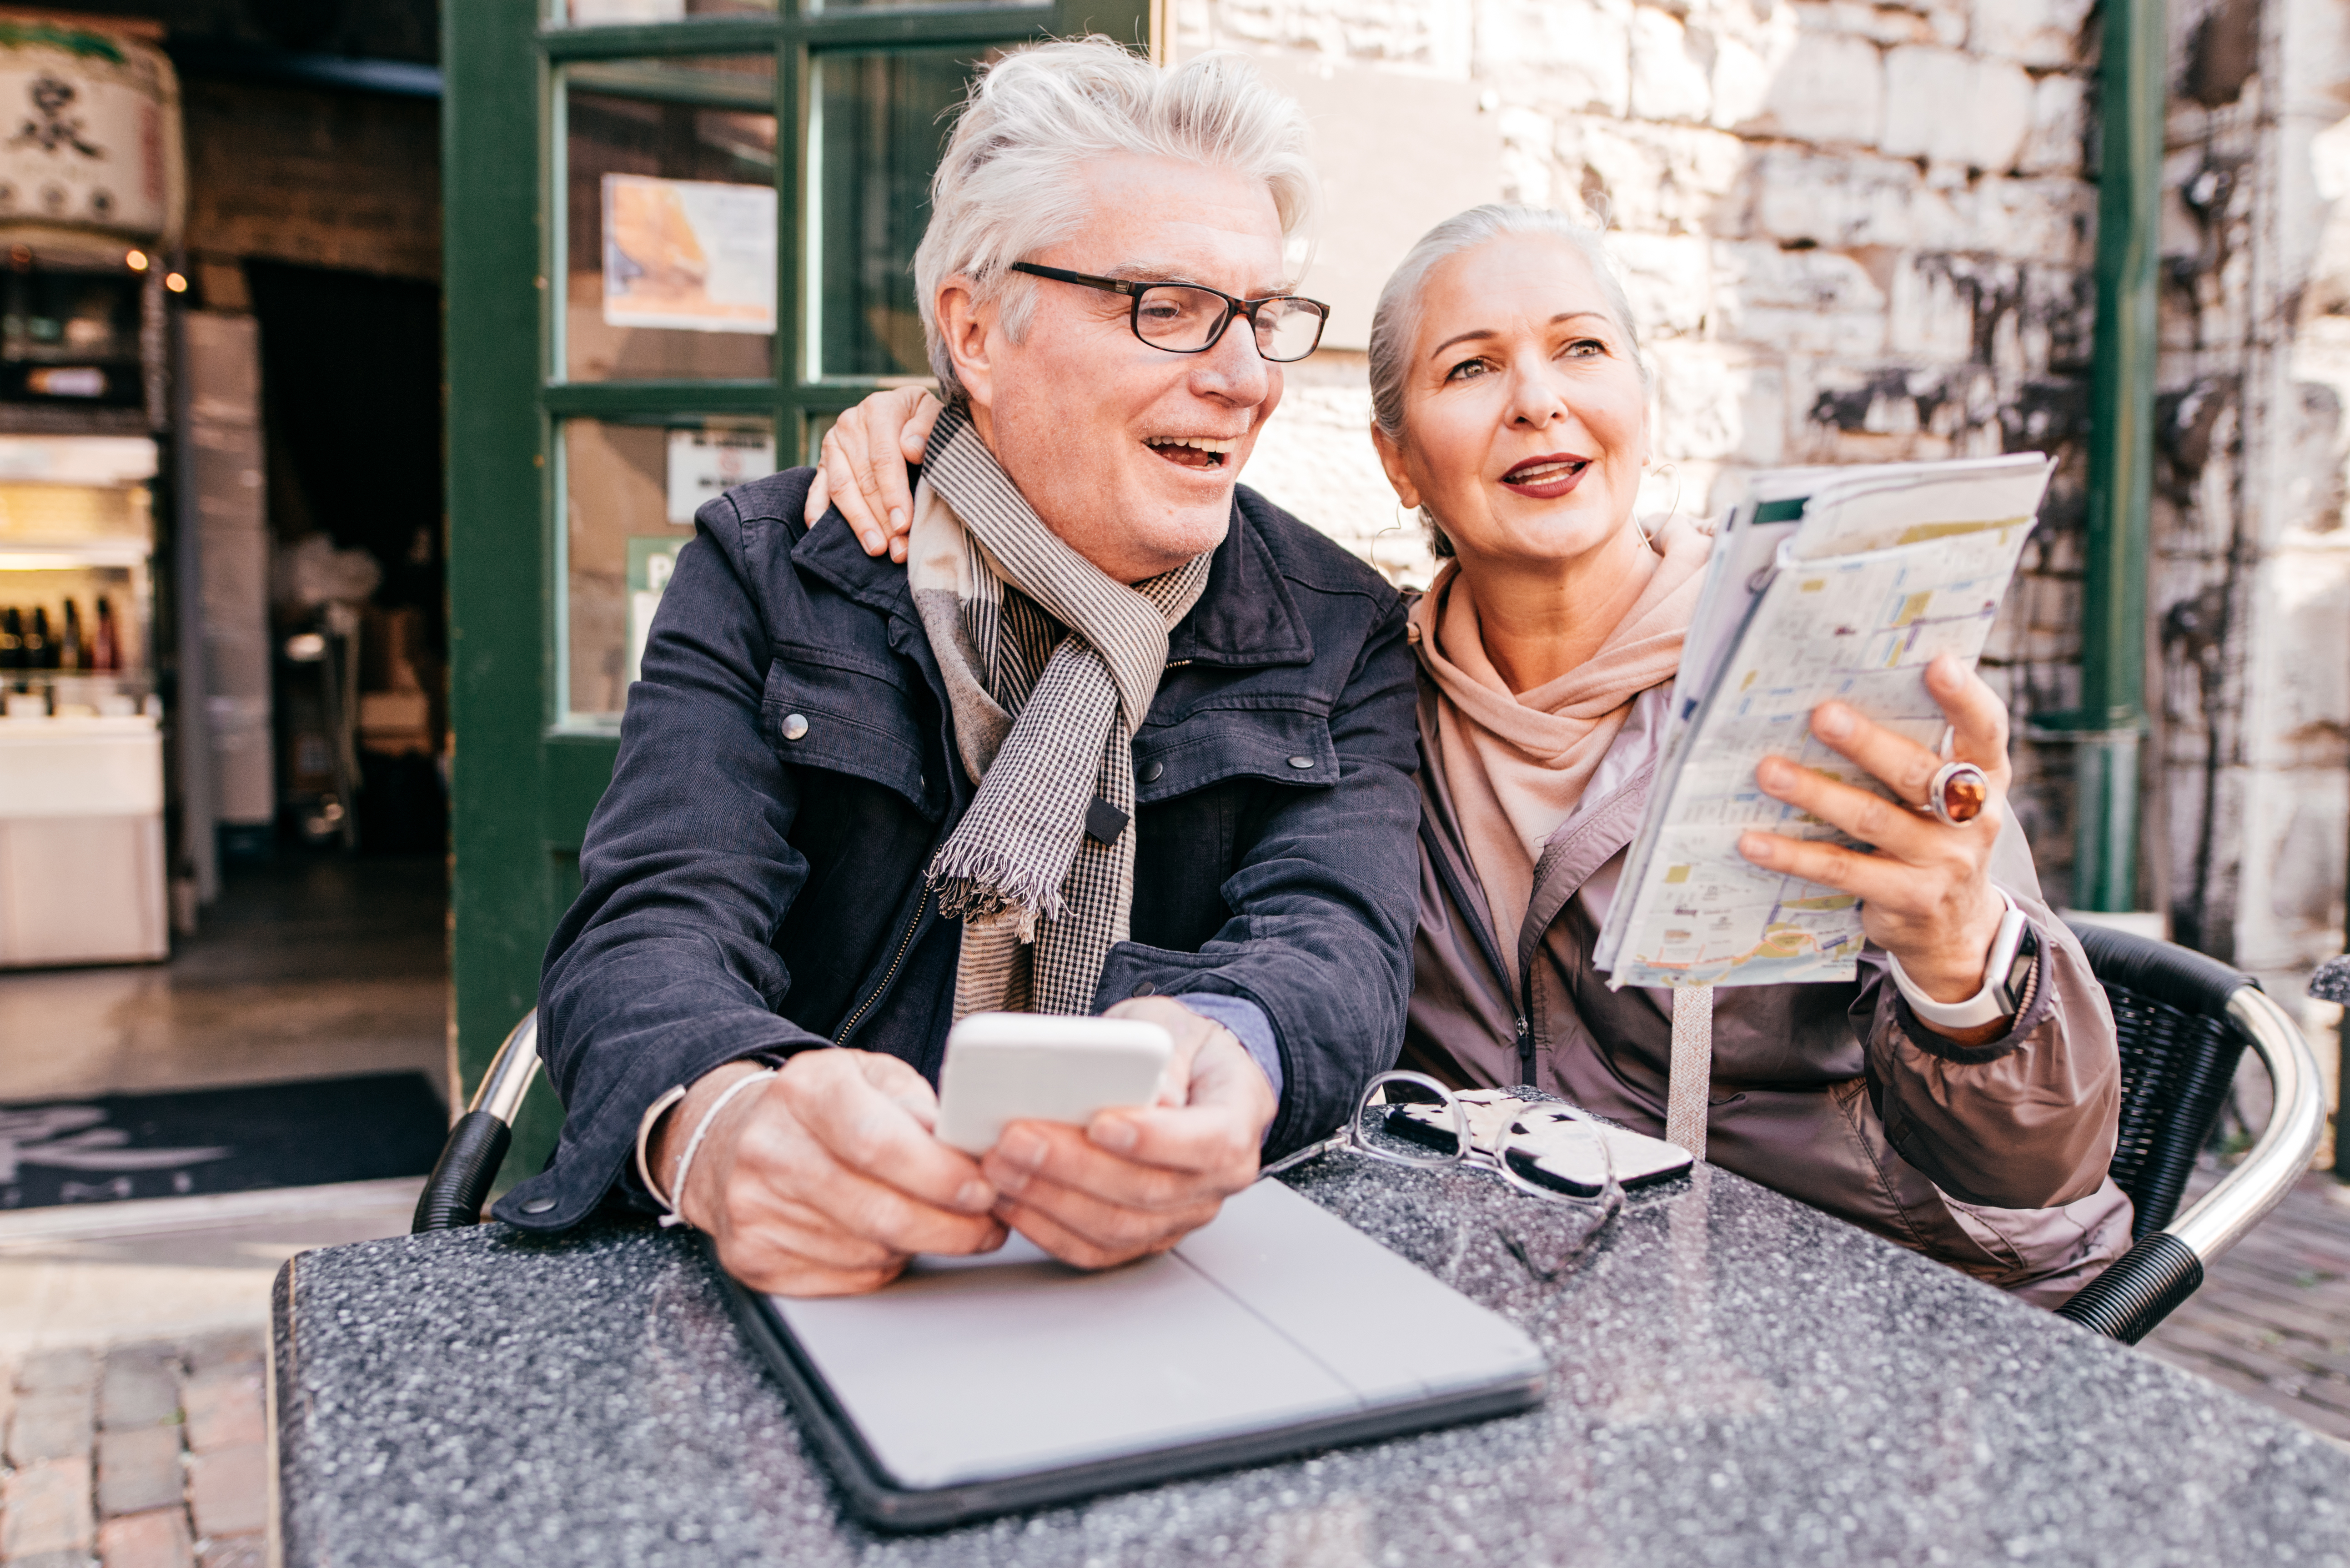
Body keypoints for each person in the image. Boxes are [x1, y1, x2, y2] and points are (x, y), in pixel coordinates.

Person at [813, 205, 2134, 1303]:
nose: (1540, 403)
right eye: (1471, 369)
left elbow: (2044, 1173)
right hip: (1511, 1300)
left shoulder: (1821, 677)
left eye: (1582, 350)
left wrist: (1969, 969)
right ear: (1398, 464)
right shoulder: (1352, 702)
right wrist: (950, 430)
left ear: (1640, 401)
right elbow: (1110, 482)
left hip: (1878, 1306)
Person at [492, 40, 1425, 1298]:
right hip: (807, 1288)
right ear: (977, 333)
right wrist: (724, 1127)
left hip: (1159, 1293)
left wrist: (1229, 1051)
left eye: (1262, 317)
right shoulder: (769, 570)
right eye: (1168, 307)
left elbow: (1337, 935)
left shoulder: (1340, 627)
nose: (1246, 377)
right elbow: (654, 928)